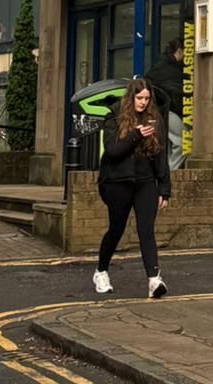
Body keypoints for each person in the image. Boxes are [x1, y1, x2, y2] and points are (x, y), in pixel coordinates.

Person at [92, 77, 171, 299]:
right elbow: (113, 151)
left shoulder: (154, 119)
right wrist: (136, 135)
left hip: (145, 182)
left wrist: (164, 187)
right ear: (131, 97)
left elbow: (160, 155)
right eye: (139, 98)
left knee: (146, 230)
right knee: (116, 229)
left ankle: (154, 280)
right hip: (118, 181)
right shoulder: (115, 116)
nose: (143, 102)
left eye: (147, 98)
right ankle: (101, 271)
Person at [146, 39, 185, 171]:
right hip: (168, 110)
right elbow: (174, 90)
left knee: (168, 144)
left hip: (159, 110)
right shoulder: (173, 70)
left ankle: (165, 172)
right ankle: (171, 173)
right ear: (179, 51)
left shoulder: (160, 65)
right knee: (182, 143)